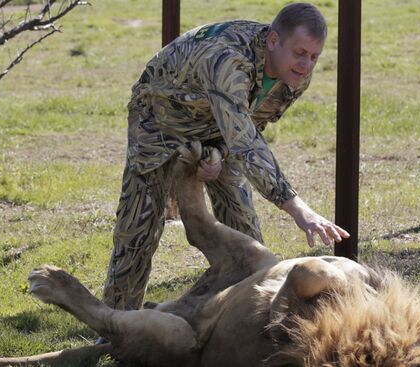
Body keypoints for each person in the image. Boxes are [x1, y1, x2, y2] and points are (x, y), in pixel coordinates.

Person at [103, 2, 350, 315]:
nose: (306, 64)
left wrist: (218, 154)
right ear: (274, 40)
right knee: (139, 227)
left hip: (222, 128)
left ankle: (248, 318)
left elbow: (249, 124)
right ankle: (114, 324)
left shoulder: (294, 75)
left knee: (245, 231)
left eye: (315, 56)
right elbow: (246, 142)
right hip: (162, 120)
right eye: (300, 52)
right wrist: (297, 208)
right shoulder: (228, 59)